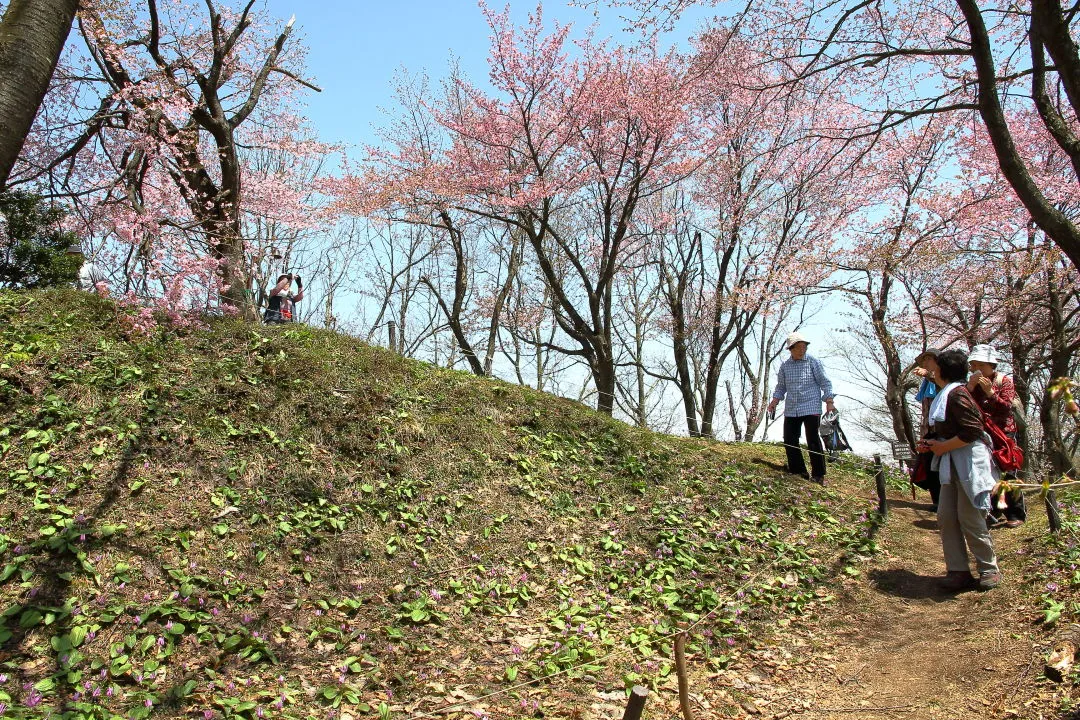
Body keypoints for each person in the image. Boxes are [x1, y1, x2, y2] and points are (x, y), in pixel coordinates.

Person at [920, 348, 1001, 592]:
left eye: (935, 367)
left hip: (968, 460)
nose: (932, 371)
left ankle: (988, 568)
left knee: (970, 516)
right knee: (946, 516)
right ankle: (958, 571)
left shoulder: (957, 395)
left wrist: (943, 446)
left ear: (942, 370)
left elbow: (972, 431)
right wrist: (932, 444)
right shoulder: (949, 393)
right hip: (952, 460)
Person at [966, 344, 1025, 528]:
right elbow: (967, 407)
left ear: (991, 365)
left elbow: (1006, 407)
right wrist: (970, 387)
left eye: (981, 365)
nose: (978, 369)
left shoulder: (1004, 381)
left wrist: (990, 393)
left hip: (1004, 433)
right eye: (975, 365)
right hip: (984, 435)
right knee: (988, 473)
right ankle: (993, 512)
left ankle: (1015, 513)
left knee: (1008, 471)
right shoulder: (973, 385)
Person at [767, 332, 835, 486]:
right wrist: (774, 401)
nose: (802, 349)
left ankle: (818, 474)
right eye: (799, 347)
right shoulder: (785, 366)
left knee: (812, 439)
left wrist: (829, 401)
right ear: (791, 349)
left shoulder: (813, 362)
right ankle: (798, 471)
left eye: (804, 346)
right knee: (789, 439)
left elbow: (825, 382)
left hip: (811, 406)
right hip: (792, 408)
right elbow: (781, 387)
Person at [912, 347, 943, 510]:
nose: (925, 363)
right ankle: (936, 500)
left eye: (928, 359)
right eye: (924, 360)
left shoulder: (942, 378)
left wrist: (927, 374)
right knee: (930, 464)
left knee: (940, 465)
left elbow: (942, 384)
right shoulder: (926, 382)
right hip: (927, 429)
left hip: (941, 430)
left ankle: (944, 501)